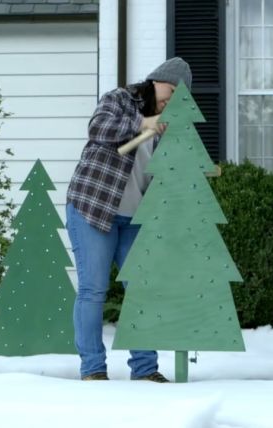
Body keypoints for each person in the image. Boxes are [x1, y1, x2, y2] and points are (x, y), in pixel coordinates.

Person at [66, 57, 193, 382]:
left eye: (180, 95)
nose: (171, 98)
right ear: (155, 80)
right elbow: (98, 128)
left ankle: (145, 369)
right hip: (93, 208)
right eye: (170, 89)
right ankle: (93, 369)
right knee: (93, 289)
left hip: (135, 219)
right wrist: (141, 124)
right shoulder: (120, 100)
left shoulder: (169, 127)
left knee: (141, 290)